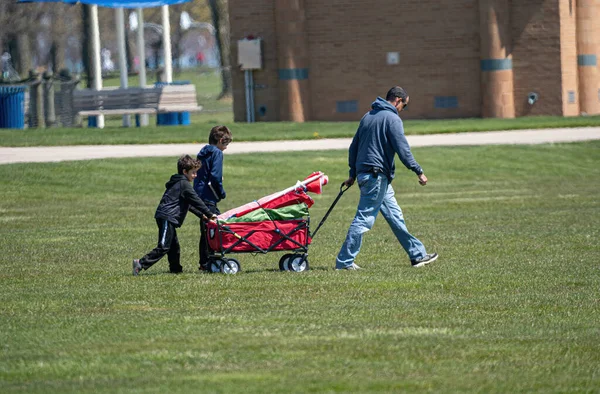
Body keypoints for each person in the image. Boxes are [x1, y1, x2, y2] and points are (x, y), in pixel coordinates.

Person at [336, 86, 438, 270]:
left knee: (395, 216)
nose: (402, 110)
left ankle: (417, 255)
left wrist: (352, 174)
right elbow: (402, 149)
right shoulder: (392, 119)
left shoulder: (368, 116)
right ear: (398, 100)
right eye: (404, 106)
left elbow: (353, 147)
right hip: (376, 177)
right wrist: (418, 170)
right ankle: (344, 262)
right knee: (364, 218)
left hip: (370, 176)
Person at [133, 155, 217, 275]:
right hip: (167, 217)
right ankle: (140, 263)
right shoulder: (184, 184)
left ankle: (175, 269)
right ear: (185, 172)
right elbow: (196, 200)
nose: (195, 175)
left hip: (167, 217)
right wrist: (209, 214)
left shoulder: (179, 182)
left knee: (174, 247)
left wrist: (201, 215)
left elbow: (189, 204)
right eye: (193, 173)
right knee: (163, 246)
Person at [194, 125, 233, 271]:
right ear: (221, 140)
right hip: (208, 197)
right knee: (212, 227)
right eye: (226, 143)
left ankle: (204, 262)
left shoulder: (202, 152)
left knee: (206, 228)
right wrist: (221, 192)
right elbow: (215, 177)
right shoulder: (217, 153)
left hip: (198, 195)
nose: (226, 148)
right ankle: (208, 261)